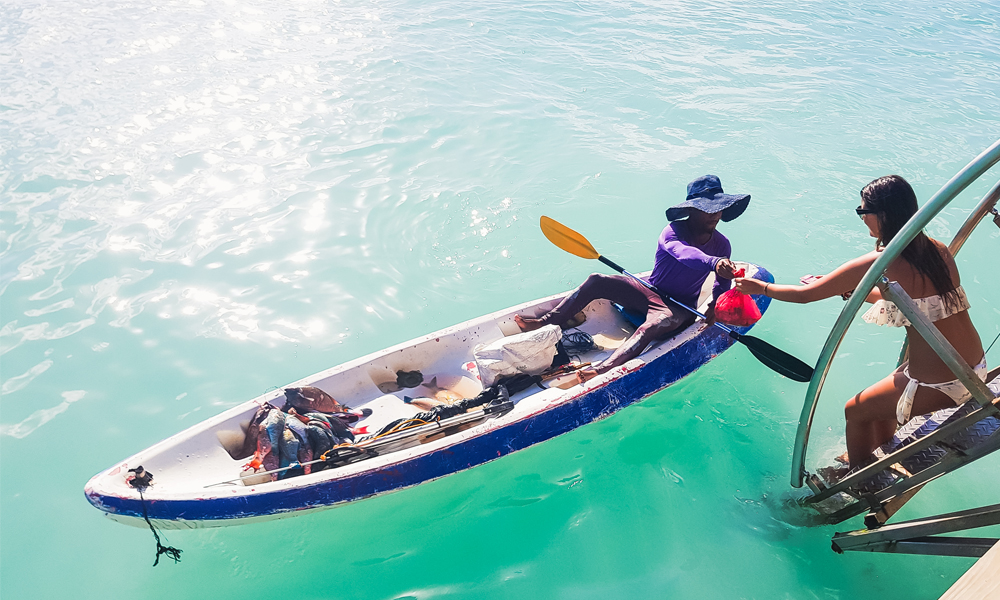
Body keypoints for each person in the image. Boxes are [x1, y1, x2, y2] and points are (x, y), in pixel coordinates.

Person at [734, 175, 986, 470]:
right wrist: (856, 291)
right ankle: (876, 451)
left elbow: (804, 296)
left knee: (853, 410)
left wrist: (759, 288)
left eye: (862, 211)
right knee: (883, 395)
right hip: (974, 368)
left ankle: (861, 477)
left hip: (940, 384)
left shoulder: (876, 263)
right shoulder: (937, 250)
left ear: (883, 215)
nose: (862, 218)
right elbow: (913, 298)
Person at [516, 174, 749, 380]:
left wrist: (715, 307)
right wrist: (714, 262)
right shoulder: (672, 232)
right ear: (692, 210)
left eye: (718, 208)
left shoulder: (722, 245)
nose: (715, 214)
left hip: (680, 308)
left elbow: (721, 284)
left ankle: (602, 369)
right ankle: (545, 322)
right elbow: (685, 255)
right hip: (650, 291)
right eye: (707, 208)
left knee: (654, 325)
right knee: (597, 279)